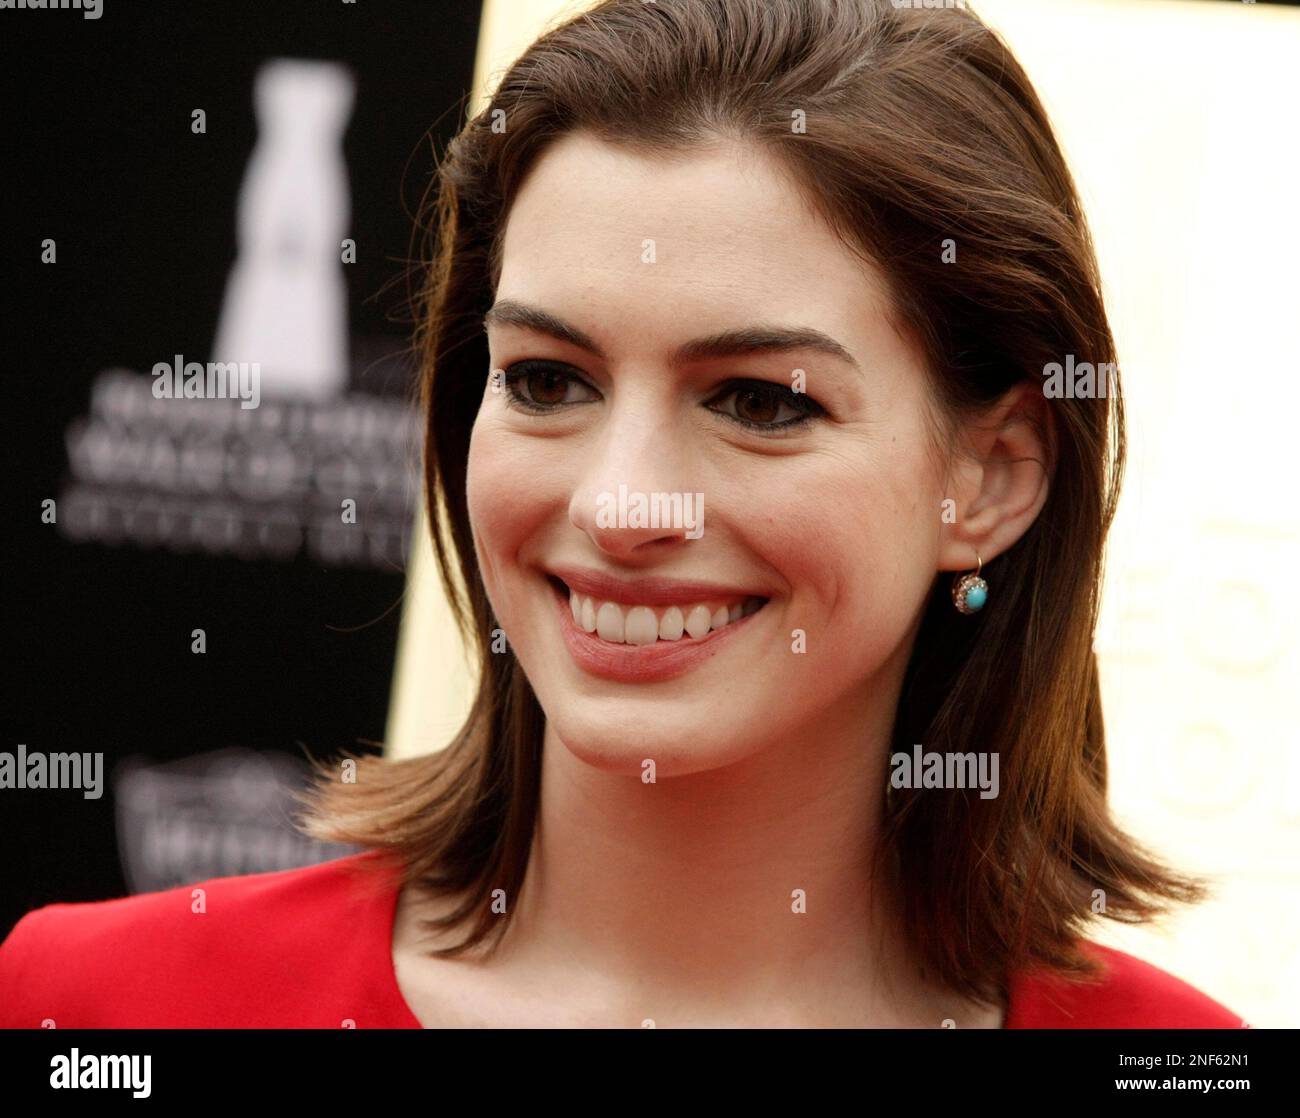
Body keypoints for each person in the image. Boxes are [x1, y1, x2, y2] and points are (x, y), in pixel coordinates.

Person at [0, 0, 1244, 1029]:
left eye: (760, 400)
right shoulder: (100, 1008)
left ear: (992, 477)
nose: (620, 501)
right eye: (549, 381)